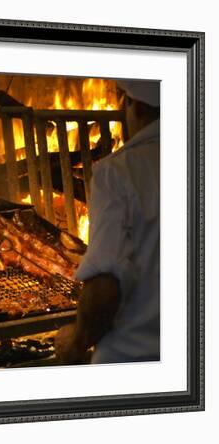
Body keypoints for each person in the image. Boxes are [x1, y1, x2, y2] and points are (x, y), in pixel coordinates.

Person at [54, 80, 160, 364]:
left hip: (133, 358)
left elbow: (105, 283)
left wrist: (78, 339)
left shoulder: (118, 171)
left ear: (133, 105)